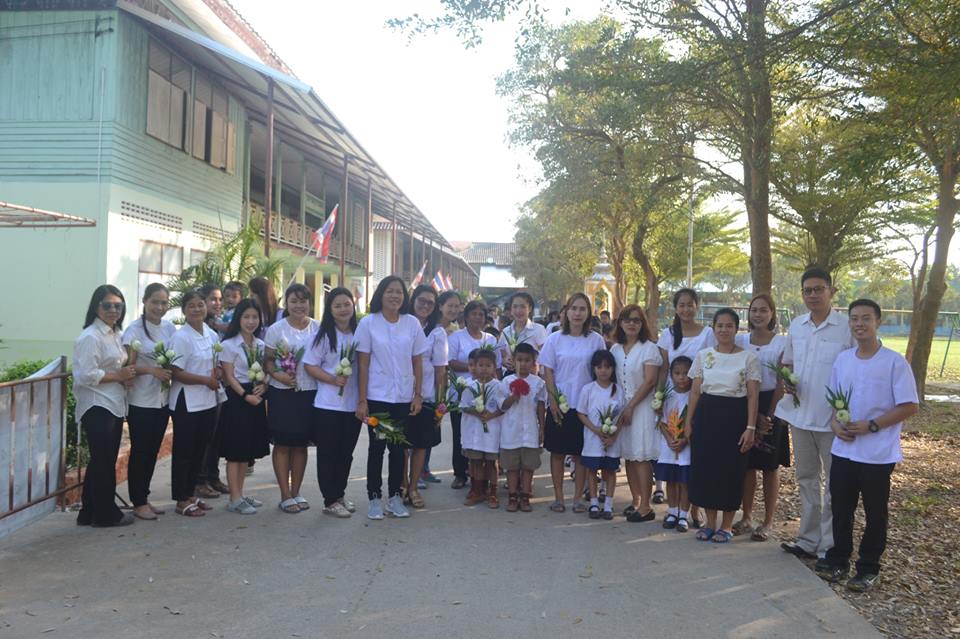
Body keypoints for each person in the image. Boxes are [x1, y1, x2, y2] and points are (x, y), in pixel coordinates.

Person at [816, 299, 918, 592]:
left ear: (878, 322)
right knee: (841, 508)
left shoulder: (894, 362)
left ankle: (868, 567)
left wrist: (872, 425)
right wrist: (835, 426)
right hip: (844, 450)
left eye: (866, 318)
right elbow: (835, 401)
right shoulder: (844, 360)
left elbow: (909, 405)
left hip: (877, 453)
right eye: (854, 319)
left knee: (875, 513)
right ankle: (838, 559)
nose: (859, 324)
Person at [777, 267, 855, 560]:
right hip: (800, 417)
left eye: (818, 289)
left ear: (831, 291)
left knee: (835, 484)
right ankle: (808, 540)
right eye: (807, 290)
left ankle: (829, 547)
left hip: (833, 422)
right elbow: (788, 363)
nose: (812, 295)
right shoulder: (797, 326)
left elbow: (859, 367)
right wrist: (787, 379)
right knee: (807, 478)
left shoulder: (847, 326)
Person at [355, 276, 428, 520]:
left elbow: (417, 361)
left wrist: (418, 395)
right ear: (381, 294)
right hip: (378, 396)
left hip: (403, 397)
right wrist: (362, 400)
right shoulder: (368, 323)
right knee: (377, 448)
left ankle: (395, 496)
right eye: (390, 291)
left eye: (399, 292)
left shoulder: (412, 323)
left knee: (399, 449)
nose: (395, 296)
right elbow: (363, 364)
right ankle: (374, 497)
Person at [685, 308, 759, 543]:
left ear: (737, 329)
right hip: (707, 416)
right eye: (720, 325)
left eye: (729, 326)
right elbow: (695, 392)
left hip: (734, 417)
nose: (724, 330)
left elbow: (752, 396)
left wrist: (750, 428)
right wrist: (688, 422)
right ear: (714, 328)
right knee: (705, 469)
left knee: (730, 470)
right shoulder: (703, 355)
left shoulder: (748, 358)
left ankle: (726, 525)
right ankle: (710, 523)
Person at [74, 285, 136, 527]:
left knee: (102, 459)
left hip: (113, 402)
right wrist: (118, 376)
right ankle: (105, 514)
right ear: (96, 307)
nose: (113, 310)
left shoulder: (115, 333)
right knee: (103, 461)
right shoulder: (91, 337)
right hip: (97, 404)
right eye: (107, 305)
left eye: (118, 306)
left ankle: (89, 511)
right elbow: (85, 375)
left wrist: (122, 376)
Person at [540, 293, 606, 513]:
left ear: (588, 313)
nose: (578, 313)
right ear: (566, 312)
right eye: (574, 308)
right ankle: (559, 498)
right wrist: (552, 400)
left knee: (580, 453)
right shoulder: (554, 339)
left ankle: (578, 498)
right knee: (558, 453)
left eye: (582, 309)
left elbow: (601, 370)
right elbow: (548, 371)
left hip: (585, 406)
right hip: (561, 404)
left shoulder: (596, 340)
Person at [733, 294, 789, 542]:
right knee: (747, 465)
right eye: (754, 310)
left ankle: (767, 522)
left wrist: (770, 415)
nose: (758, 314)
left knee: (769, 467)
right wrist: (752, 414)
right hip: (744, 403)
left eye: (763, 310)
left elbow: (781, 382)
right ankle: (746, 517)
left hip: (771, 406)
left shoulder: (781, 343)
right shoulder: (740, 340)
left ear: (772, 313)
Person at [303, 287, 361, 519]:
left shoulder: (359, 333)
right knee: (328, 453)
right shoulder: (324, 336)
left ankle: (339, 495)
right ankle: (330, 500)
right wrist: (332, 379)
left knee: (346, 454)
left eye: (347, 304)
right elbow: (310, 365)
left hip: (352, 405)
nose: (343, 309)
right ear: (330, 309)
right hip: (328, 405)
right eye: (337, 306)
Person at [657, 288, 716, 508]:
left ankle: (693, 510)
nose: (686, 309)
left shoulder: (707, 334)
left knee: (692, 456)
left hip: (698, 398)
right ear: (675, 308)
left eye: (690, 305)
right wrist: (659, 397)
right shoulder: (668, 334)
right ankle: (674, 509)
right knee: (673, 456)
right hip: (672, 399)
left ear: (697, 306)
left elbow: (710, 367)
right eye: (681, 305)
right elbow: (663, 369)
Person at [122, 283, 176, 521]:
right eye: (155, 302)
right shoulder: (133, 331)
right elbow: (128, 367)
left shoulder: (169, 328)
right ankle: (138, 501)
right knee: (141, 451)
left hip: (162, 400)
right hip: (141, 400)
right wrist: (152, 371)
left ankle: (144, 496)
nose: (159, 307)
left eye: (164, 303)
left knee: (152, 450)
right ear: (144, 301)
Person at [168, 289, 224, 518]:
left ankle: (191, 493)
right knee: (184, 452)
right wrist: (204, 380)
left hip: (207, 401)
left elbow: (216, 363)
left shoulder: (211, 334)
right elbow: (175, 371)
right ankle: (181, 499)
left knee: (200, 450)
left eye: (200, 304)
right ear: (184, 310)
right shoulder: (181, 337)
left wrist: (218, 371)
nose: (197, 309)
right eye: (191, 305)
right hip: (187, 402)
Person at [264, 283, 318, 514]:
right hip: (282, 393)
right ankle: (285, 495)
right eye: (294, 301)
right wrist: (279, 376)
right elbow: (267, 360)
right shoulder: (276, 329)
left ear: (310, 303)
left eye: (303, 301)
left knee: (300, 444)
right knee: (283, 444)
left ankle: (296, 491)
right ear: (286, 303)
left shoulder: (317, 327)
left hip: (309, 392)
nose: (299, 306)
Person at [217, 299, 270, 514]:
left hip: (254, 396)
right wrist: (245, 395)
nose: (250, 321)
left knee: (246, 452)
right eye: (246, 317)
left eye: (254, 317)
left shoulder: (260, 345)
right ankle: (234, 498)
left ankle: (239, 493)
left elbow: (266, 371)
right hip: (237, 398)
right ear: (238, 319)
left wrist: (264, 386)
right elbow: (229, 377)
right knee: (235, 451)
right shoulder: (229, 345)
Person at [610, 305, 661, 522]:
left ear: (643, 324)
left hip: (642, 408)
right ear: (620, 323)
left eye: (637, 320)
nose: (632, 324)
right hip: (623, 408)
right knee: (629, 457)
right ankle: (636, 500)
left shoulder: (649, 348)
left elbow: (650, 381)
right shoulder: (615, 349)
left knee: (641, 457)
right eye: (627, 320)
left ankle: (646, 506)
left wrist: (631, 406)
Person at [446, 299, 498, 489]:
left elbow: (496, 366)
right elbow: (449, 362)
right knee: (461, 434)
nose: (477, 317)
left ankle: (482, 476)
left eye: (481, 314)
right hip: (462, 394)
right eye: (473, 314)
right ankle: (460, 473)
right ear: (466, 317)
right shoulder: (456, 337)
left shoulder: (490, 339)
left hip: (487, 394)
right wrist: (473, 369)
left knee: (485, 435)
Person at [405, 285, 448, 509]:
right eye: (421, 300)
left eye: (430, 303)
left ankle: (413, 487)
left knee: (420, 444)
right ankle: (402, 486)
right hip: (401, 394)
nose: (425, 306)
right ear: (413, 300)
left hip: (427, 397)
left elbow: (440, 371)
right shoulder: (402, 324)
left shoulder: (437, 333)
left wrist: (441, 402)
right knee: (401, 445)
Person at [575, 350, 624, 521]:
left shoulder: (618, 390)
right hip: (592, 439)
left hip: (611, 441)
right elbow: (581, 413)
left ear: (613, 369)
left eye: (607, 367)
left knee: (610, 471)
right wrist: (595, 429)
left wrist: (614, 436)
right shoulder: (588, 389)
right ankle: (594, 502)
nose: (603, 370)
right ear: (594, 368)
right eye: (599, 367)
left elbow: (622, 416)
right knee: (592, 470)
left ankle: (608, 504)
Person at [497, 343, 546, 512]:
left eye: (527, 360)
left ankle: (525, 496)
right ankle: (512, 496)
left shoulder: (538, 383)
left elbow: (541, 406)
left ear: (533, 362)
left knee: (528, 466)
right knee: (511, 466)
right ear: (513, 360)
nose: (523, 364)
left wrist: (542, 428)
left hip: (530, 431)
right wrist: (513, 396)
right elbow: (502, 406)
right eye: (519, 360)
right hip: (511, 431)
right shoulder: (506, 381)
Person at [196, 282, 229, 498]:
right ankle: (200, 480)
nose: (217, 303)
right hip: (199, 391)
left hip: (219, 388)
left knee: (217, 436)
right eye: (212, 299)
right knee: (204, 438)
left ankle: (213, 476)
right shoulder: (198, 327)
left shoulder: (219, 326)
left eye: (219, 299)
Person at [459, 349, 504, 508]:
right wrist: (477, 412)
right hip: (474, 432)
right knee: (476, 461)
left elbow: (503, 407)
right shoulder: (469, 386)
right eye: (481, 365)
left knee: (492, 462)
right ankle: (477, 490)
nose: (484, 368)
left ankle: (492, 492)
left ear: (494, 367)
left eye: (488, 365)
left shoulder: (499, 386)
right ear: (474, 366)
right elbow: (463, 406)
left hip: (492, 431)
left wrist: (491, 415)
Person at [655, 356, 693, 533]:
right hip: (669, 445)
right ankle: (672, 512)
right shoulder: (667, 396)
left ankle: (684, 515)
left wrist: (684, 440)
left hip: (687, 446)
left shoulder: (694, 396)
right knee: (671, 480)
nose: (682, 377)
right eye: (677, 373)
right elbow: (661, 421)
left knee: (684, 482)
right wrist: (670, 439)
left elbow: (695, 422)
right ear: (671, 375)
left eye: (685, 373)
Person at [497, 292, 548, 375]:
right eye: (515, 306)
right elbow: (501, 355)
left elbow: (546, 355)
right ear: (511, 309)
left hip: (532, 376)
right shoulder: (506, 331)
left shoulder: (538, 330)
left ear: (530, 308)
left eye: (522, 306)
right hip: (511, 376)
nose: (518, 310)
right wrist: (506, 361)